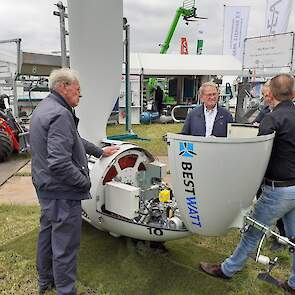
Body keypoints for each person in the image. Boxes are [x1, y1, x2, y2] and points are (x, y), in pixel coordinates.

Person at [200, 73, 295, 294]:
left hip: (277, 190)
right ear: (293, 93)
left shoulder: (272, 120)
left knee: (252, 231)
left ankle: (227, 269)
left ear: (270, 94)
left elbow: (258, 158)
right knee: (293, 238)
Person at [30, 68, 119, 295]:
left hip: (45, 187)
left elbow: (74, 139)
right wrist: (83, 182)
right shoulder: (60, 114)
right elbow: (59, 162)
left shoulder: (45, 108)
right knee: (65, 246)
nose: (81, 95)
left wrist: (100, 151)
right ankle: (65, 290)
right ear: (64, 87)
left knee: (48, 235)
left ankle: (45, 282)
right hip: (62, 191)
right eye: (78, 90)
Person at [253, 82, 286, 247]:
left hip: (278, 175)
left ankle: (280, 235)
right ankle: (276, 233)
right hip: (270, 171)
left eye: (267, 95)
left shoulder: (276, 116)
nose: (265, 99)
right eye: (264, 95)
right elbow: (256, 124)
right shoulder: (266, 111)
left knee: (277, 208)